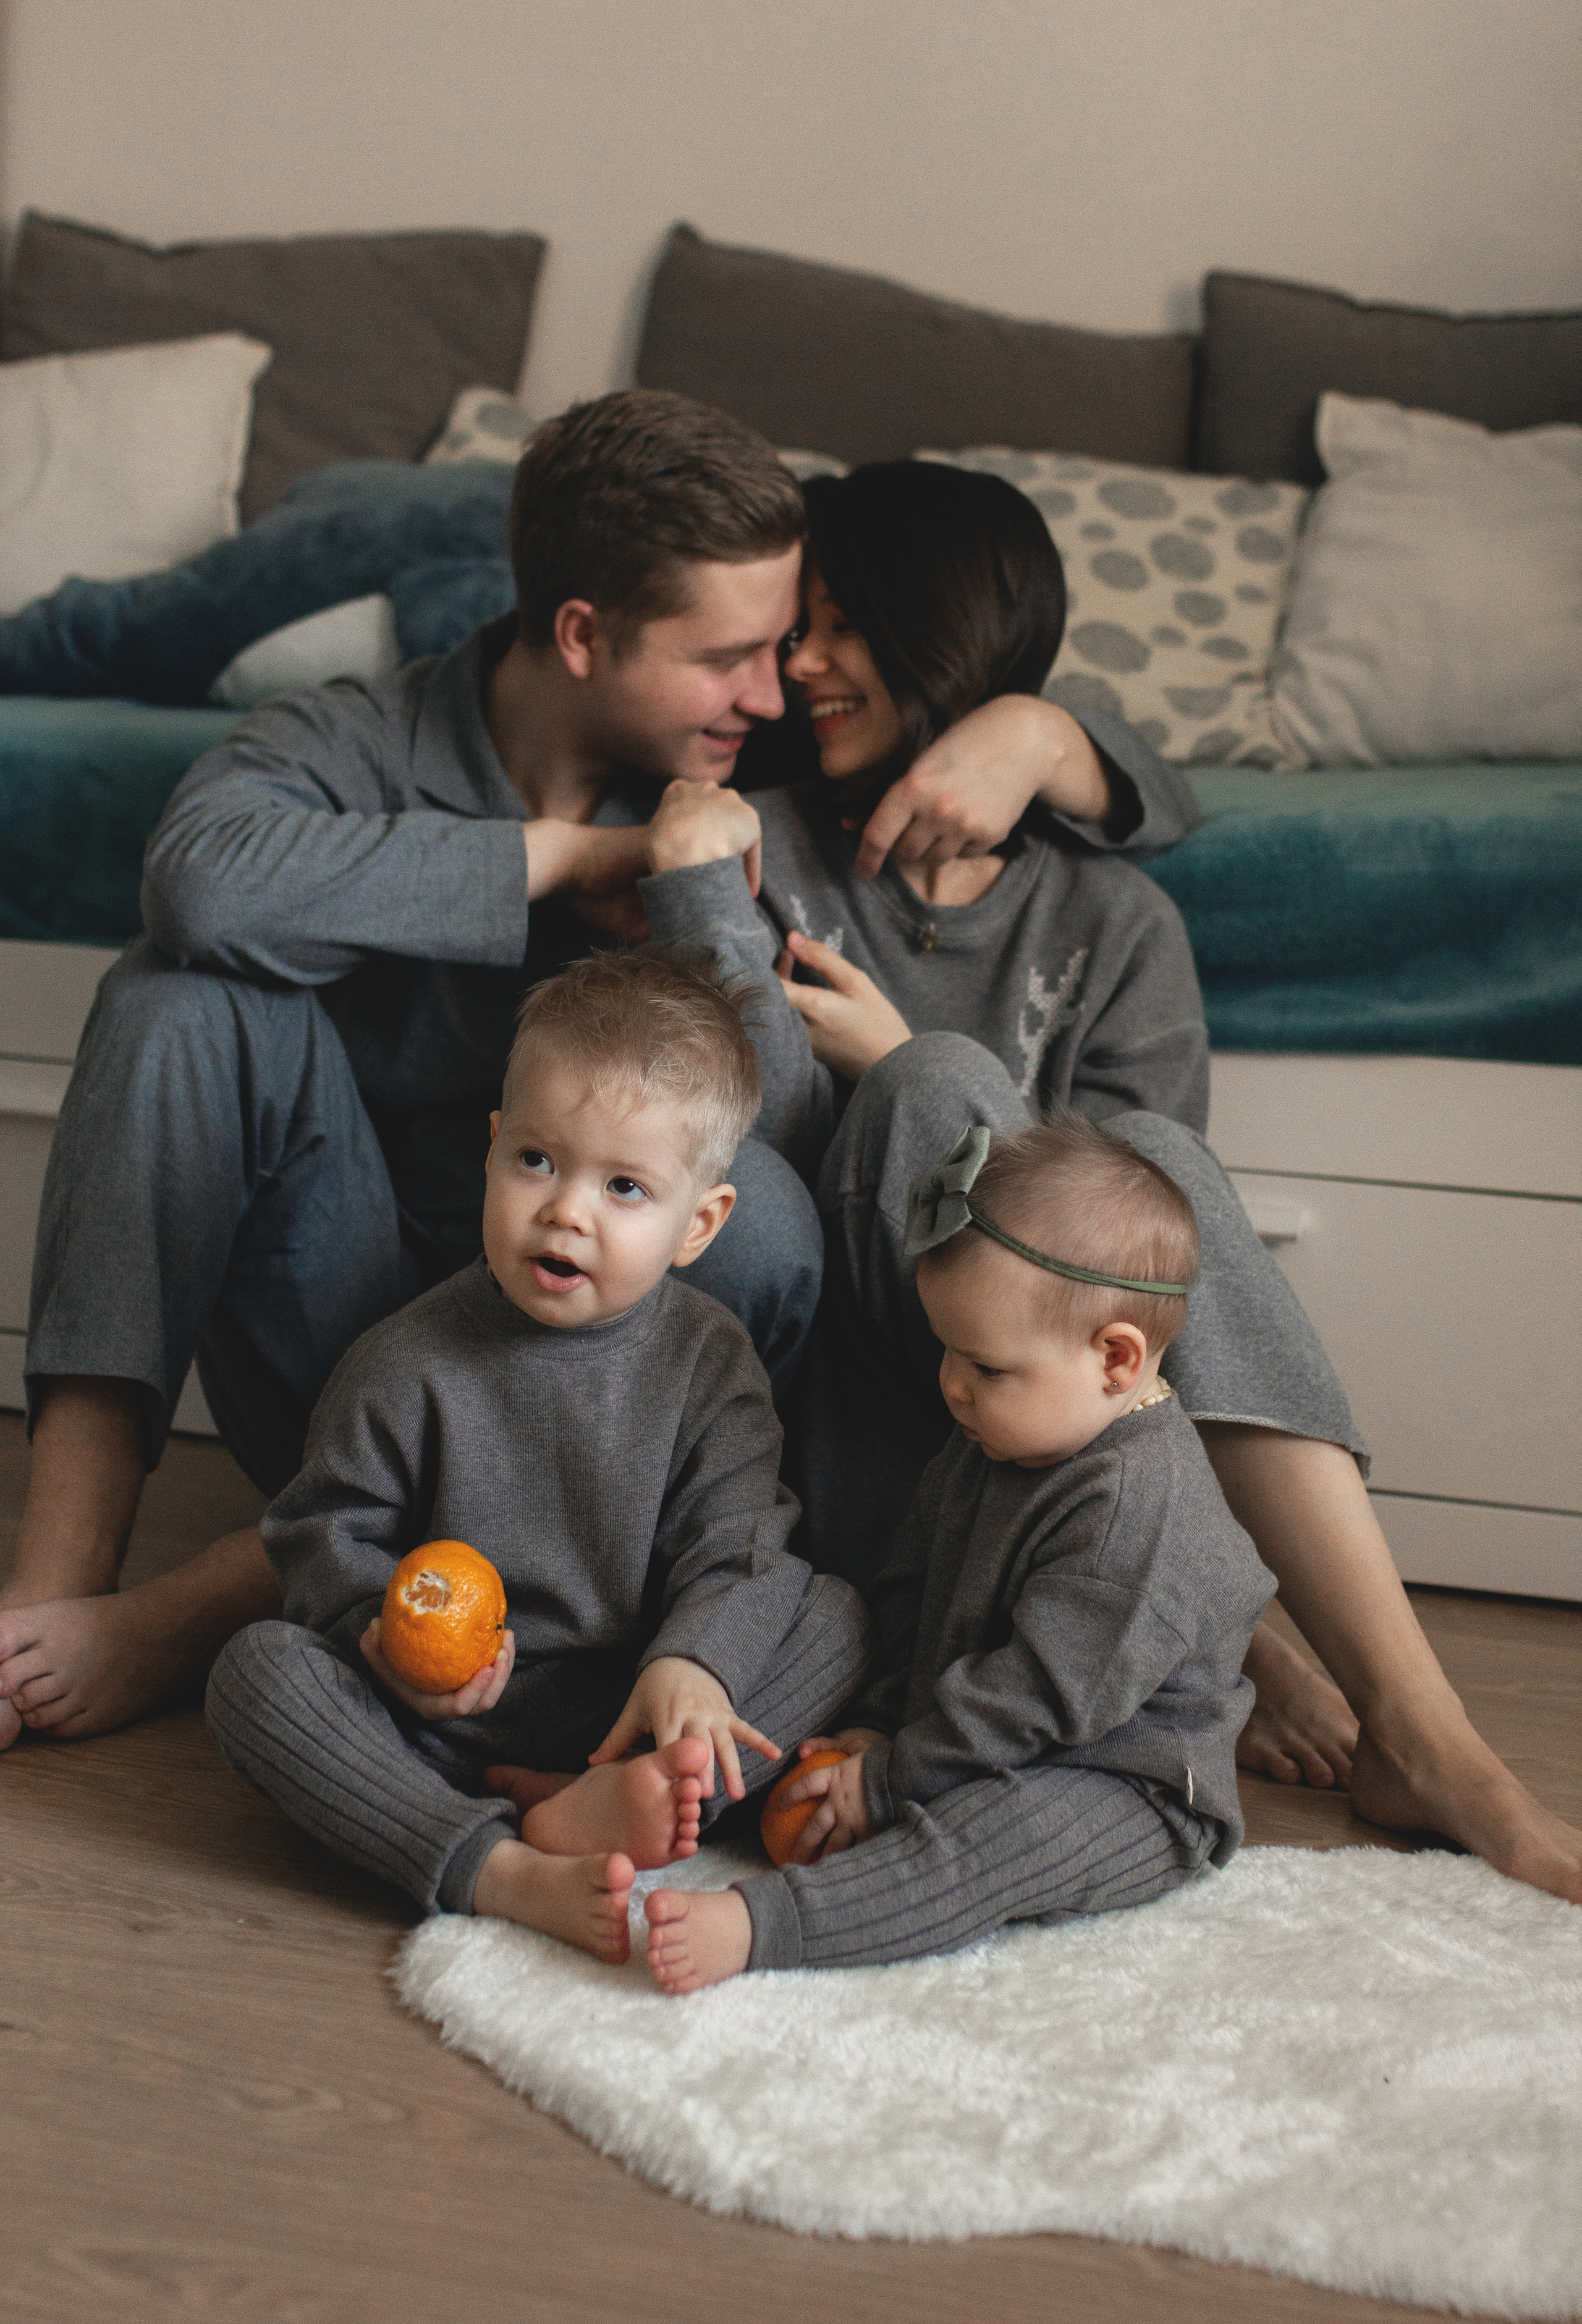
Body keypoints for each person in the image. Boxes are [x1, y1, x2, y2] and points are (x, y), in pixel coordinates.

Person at [3, 394, 1178, 1751]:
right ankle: (57, 1590)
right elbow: (198, 881)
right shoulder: (360, 740)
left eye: (785, 640)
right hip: (367, 1351)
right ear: (581, 635)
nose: (777, 682)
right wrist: (562, 863)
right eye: (733, 652)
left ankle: (215, 1604)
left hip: (628, 1421)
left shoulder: (738, 757)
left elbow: (1123, 791)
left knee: (760, 1207)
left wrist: (1039, 733)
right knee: (171, 998)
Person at [634, 459, 1582, 1906]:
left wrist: (1042, 737)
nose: (796, 668)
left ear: (941, 634)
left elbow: (1142, 1280)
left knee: (1146, 1166)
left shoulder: (1112, 919)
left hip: (1054, 1478)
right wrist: (881, 1050)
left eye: (837, 625)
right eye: (789, 633)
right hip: (849, 1432)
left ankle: (1416, 1722)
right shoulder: (759, 853)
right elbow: (699, 1149)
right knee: (937, 1087)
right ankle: (1236, 1621)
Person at [206, 949, 871, 1961]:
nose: (568, 1210)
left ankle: (611, 1795)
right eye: (537, 1162)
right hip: (442, 1731)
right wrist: (383, 1644)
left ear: (700, 1224)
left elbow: (741, 1535)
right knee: (255, 1675)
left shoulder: (706, 1360)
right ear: (492, 1150)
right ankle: (494, 1865)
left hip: (633, 1706)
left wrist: (697, 1664)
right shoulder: (406, 1360)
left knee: (836, 1614)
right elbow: (321, 1532)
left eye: (626, 1188)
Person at [646, 1113, 1275, 1988]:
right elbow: (913, 1584)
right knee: (832, 1617)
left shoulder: (1143, 1514)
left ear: (1116, 1360)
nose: (951, 1384)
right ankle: (663, 1792)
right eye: (946, 1350)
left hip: (1116, 1780)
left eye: (986, 1367)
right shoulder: (1002, 1436)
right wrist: (870, 1719)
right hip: (970, 1723)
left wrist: (889, 1778)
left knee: (991, 1842)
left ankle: (765, 1927)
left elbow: (1039, 1700)